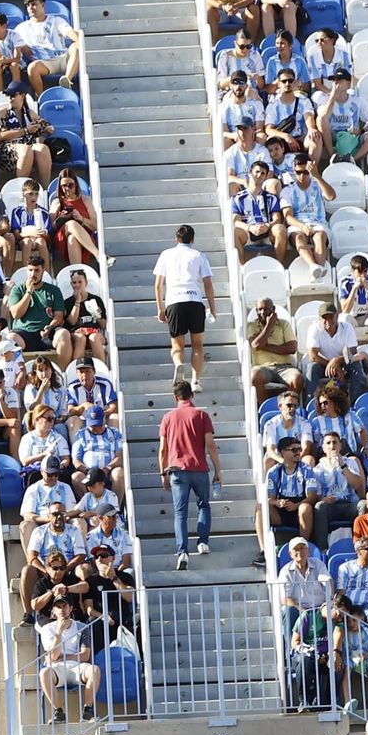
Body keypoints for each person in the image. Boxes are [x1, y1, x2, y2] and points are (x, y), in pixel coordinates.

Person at [159, 380, 223, 571]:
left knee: (180, 513)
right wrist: (218, 470)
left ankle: (183, 551)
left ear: (175, 397)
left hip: (177, 471)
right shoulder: (202, 415)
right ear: (191, 395)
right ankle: (203, 542)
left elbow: (163, 449)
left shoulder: (168, 418)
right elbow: (210, 444)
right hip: (199, 469)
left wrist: (163, 473)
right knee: (204, 505)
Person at [152, 224, 217, 390]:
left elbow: (159, 284)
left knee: (177, 345)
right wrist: (212, 307)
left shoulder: (166, 255)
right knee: (197, 345)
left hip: (174, 302)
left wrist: (160, 307)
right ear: (193, 240)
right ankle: (195, 381)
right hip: (195, 300)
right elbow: (208, 284)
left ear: (176, 239)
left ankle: (179, 364)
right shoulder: (199, 255)